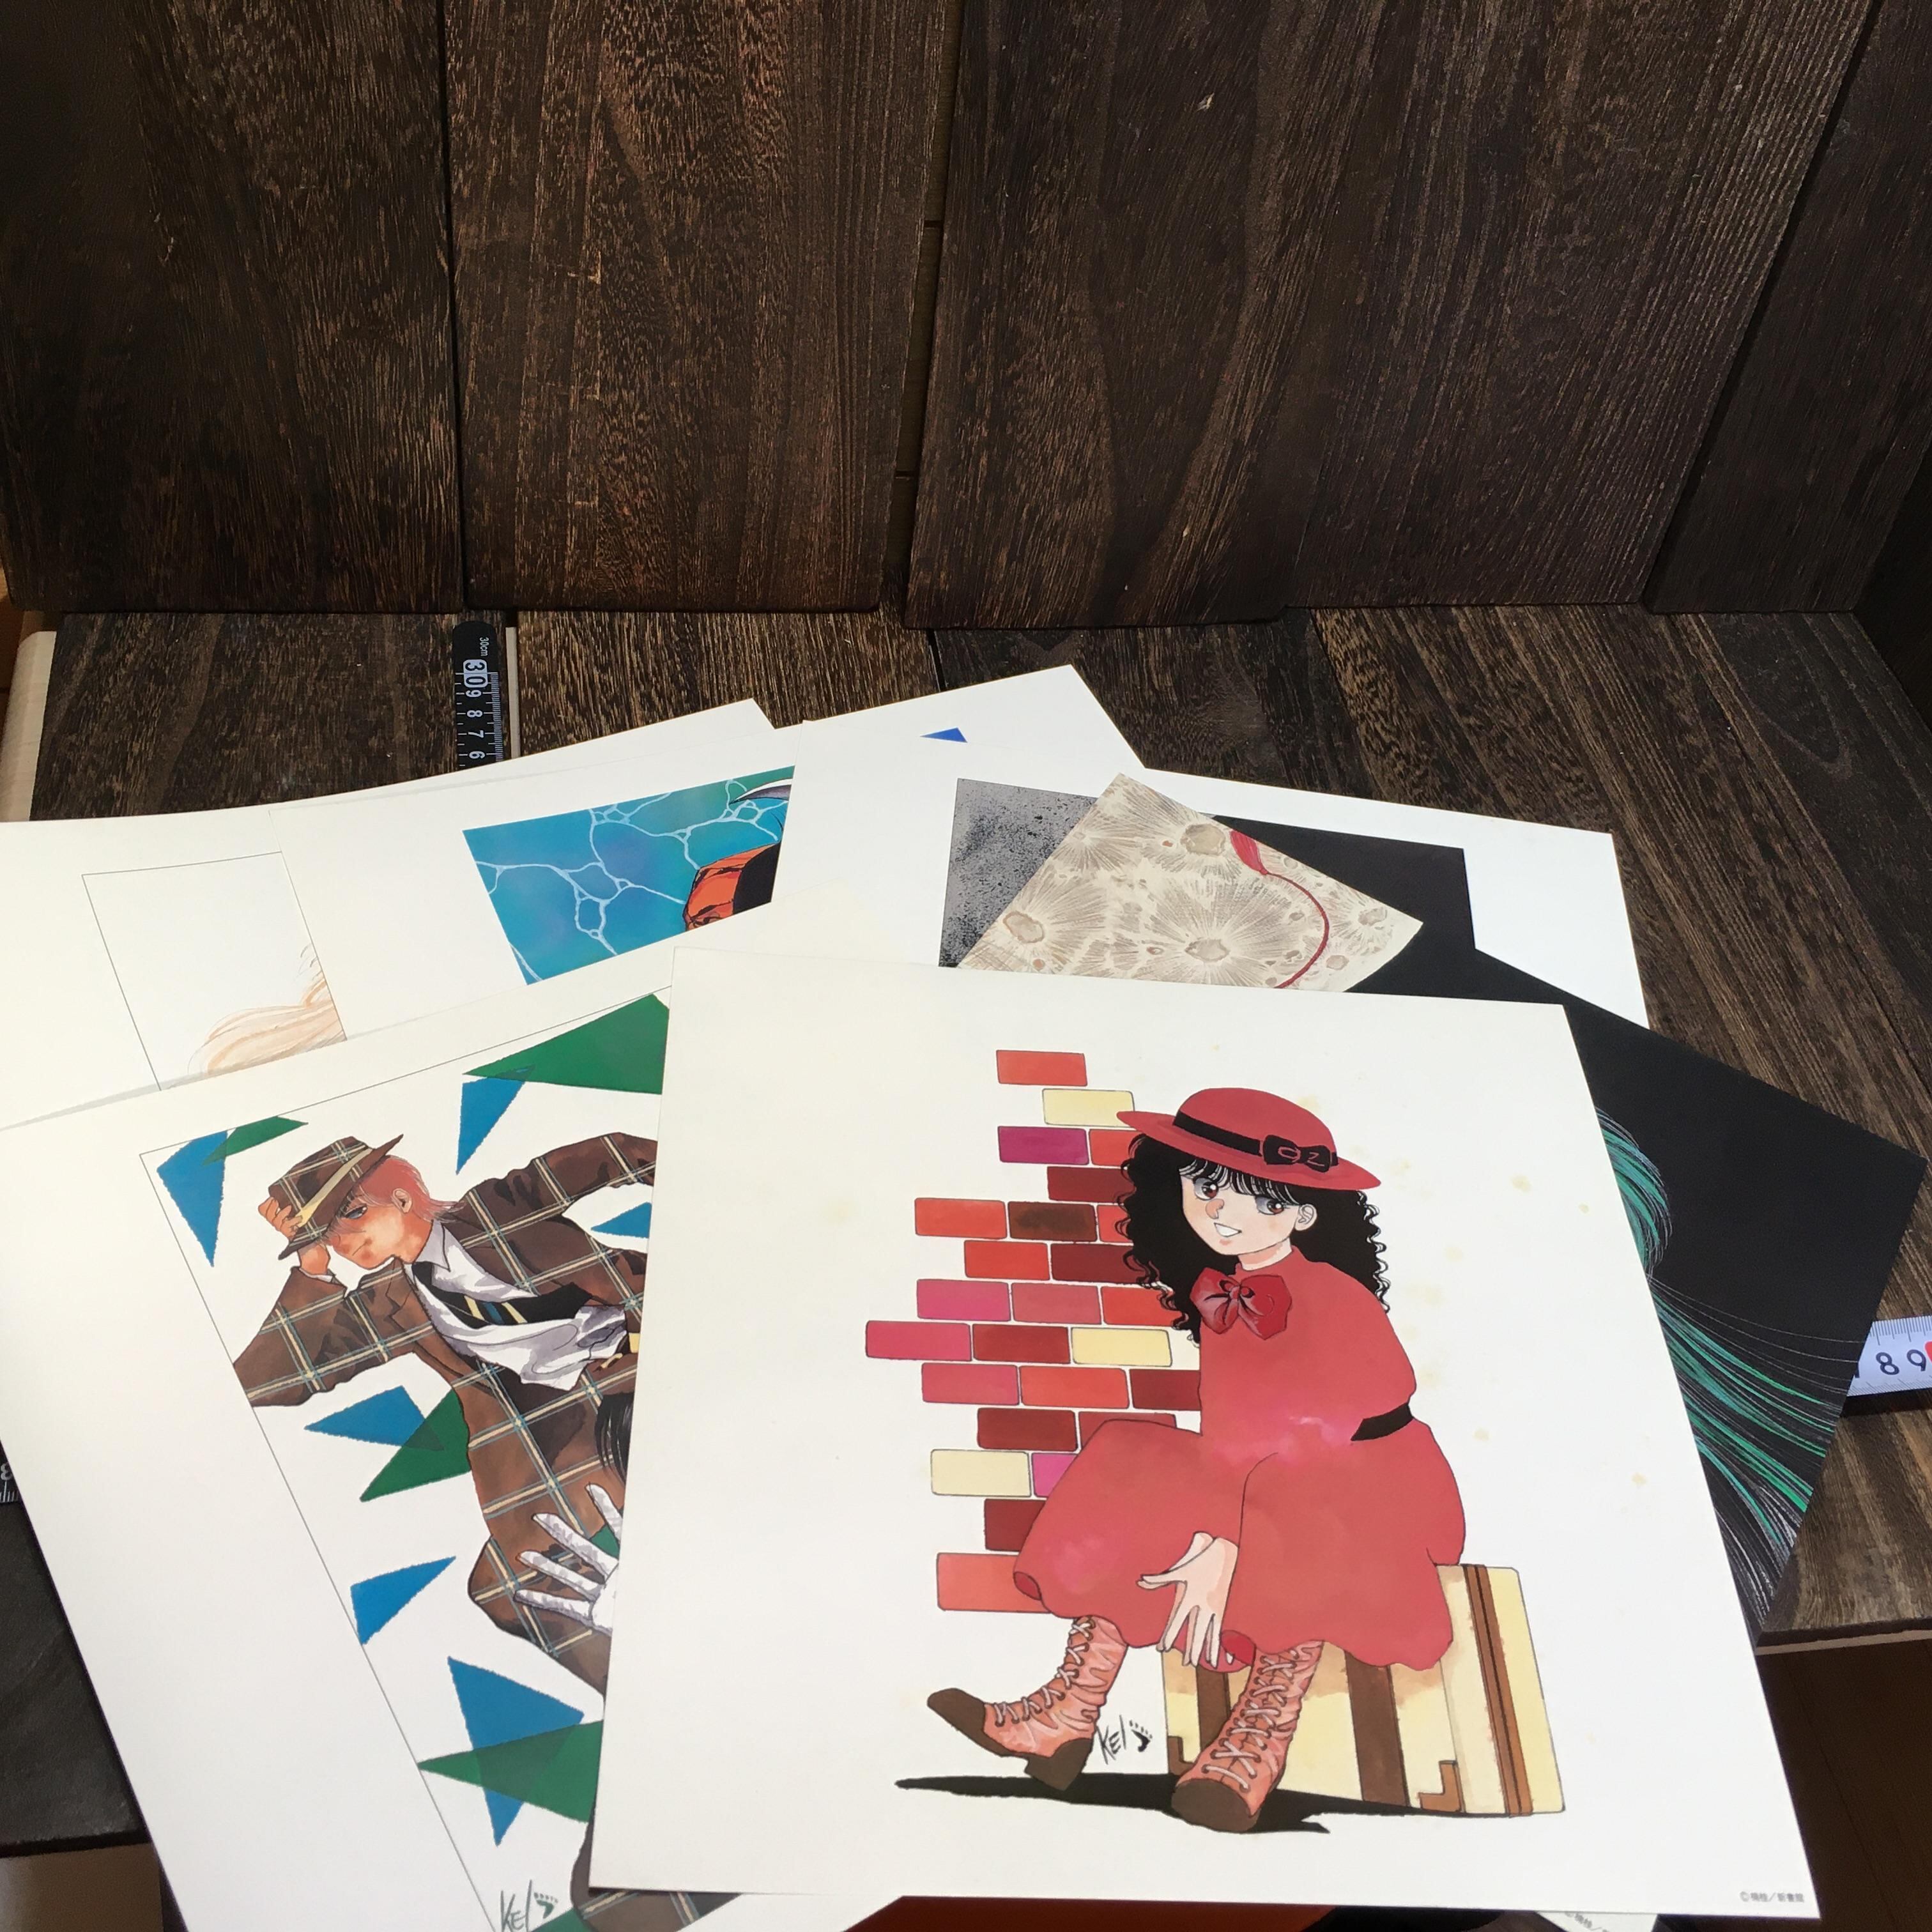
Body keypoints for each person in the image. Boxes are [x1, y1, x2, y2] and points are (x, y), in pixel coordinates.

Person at [928, 1088, 1466, 1834]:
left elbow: (1318, 1448)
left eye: (1259, 1198)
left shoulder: (1337, 1300)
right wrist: (1216, 1522)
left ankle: (1257, 1744)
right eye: (1204, 1183)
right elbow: (1236, 1440)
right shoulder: (1227, 1296)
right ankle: (1067, 1714)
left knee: (1303, 1512)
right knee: (1129, 1456)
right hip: (1262, 1473)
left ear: (1305, 1214)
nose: (1221, 1209)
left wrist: (1227, 1541)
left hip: (1372, 1480)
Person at [236, 1130, 653, 1689]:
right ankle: (643, 1686)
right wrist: (311, 1270)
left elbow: (614, 1154)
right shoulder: (389, 1304)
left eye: (351, 1216)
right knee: (503, 1587)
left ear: (401, 1196)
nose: (343, 1241)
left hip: (640, 1361)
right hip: (565, 1422)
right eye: (326, 1234)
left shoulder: (501, 1207)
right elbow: (268, 1384)